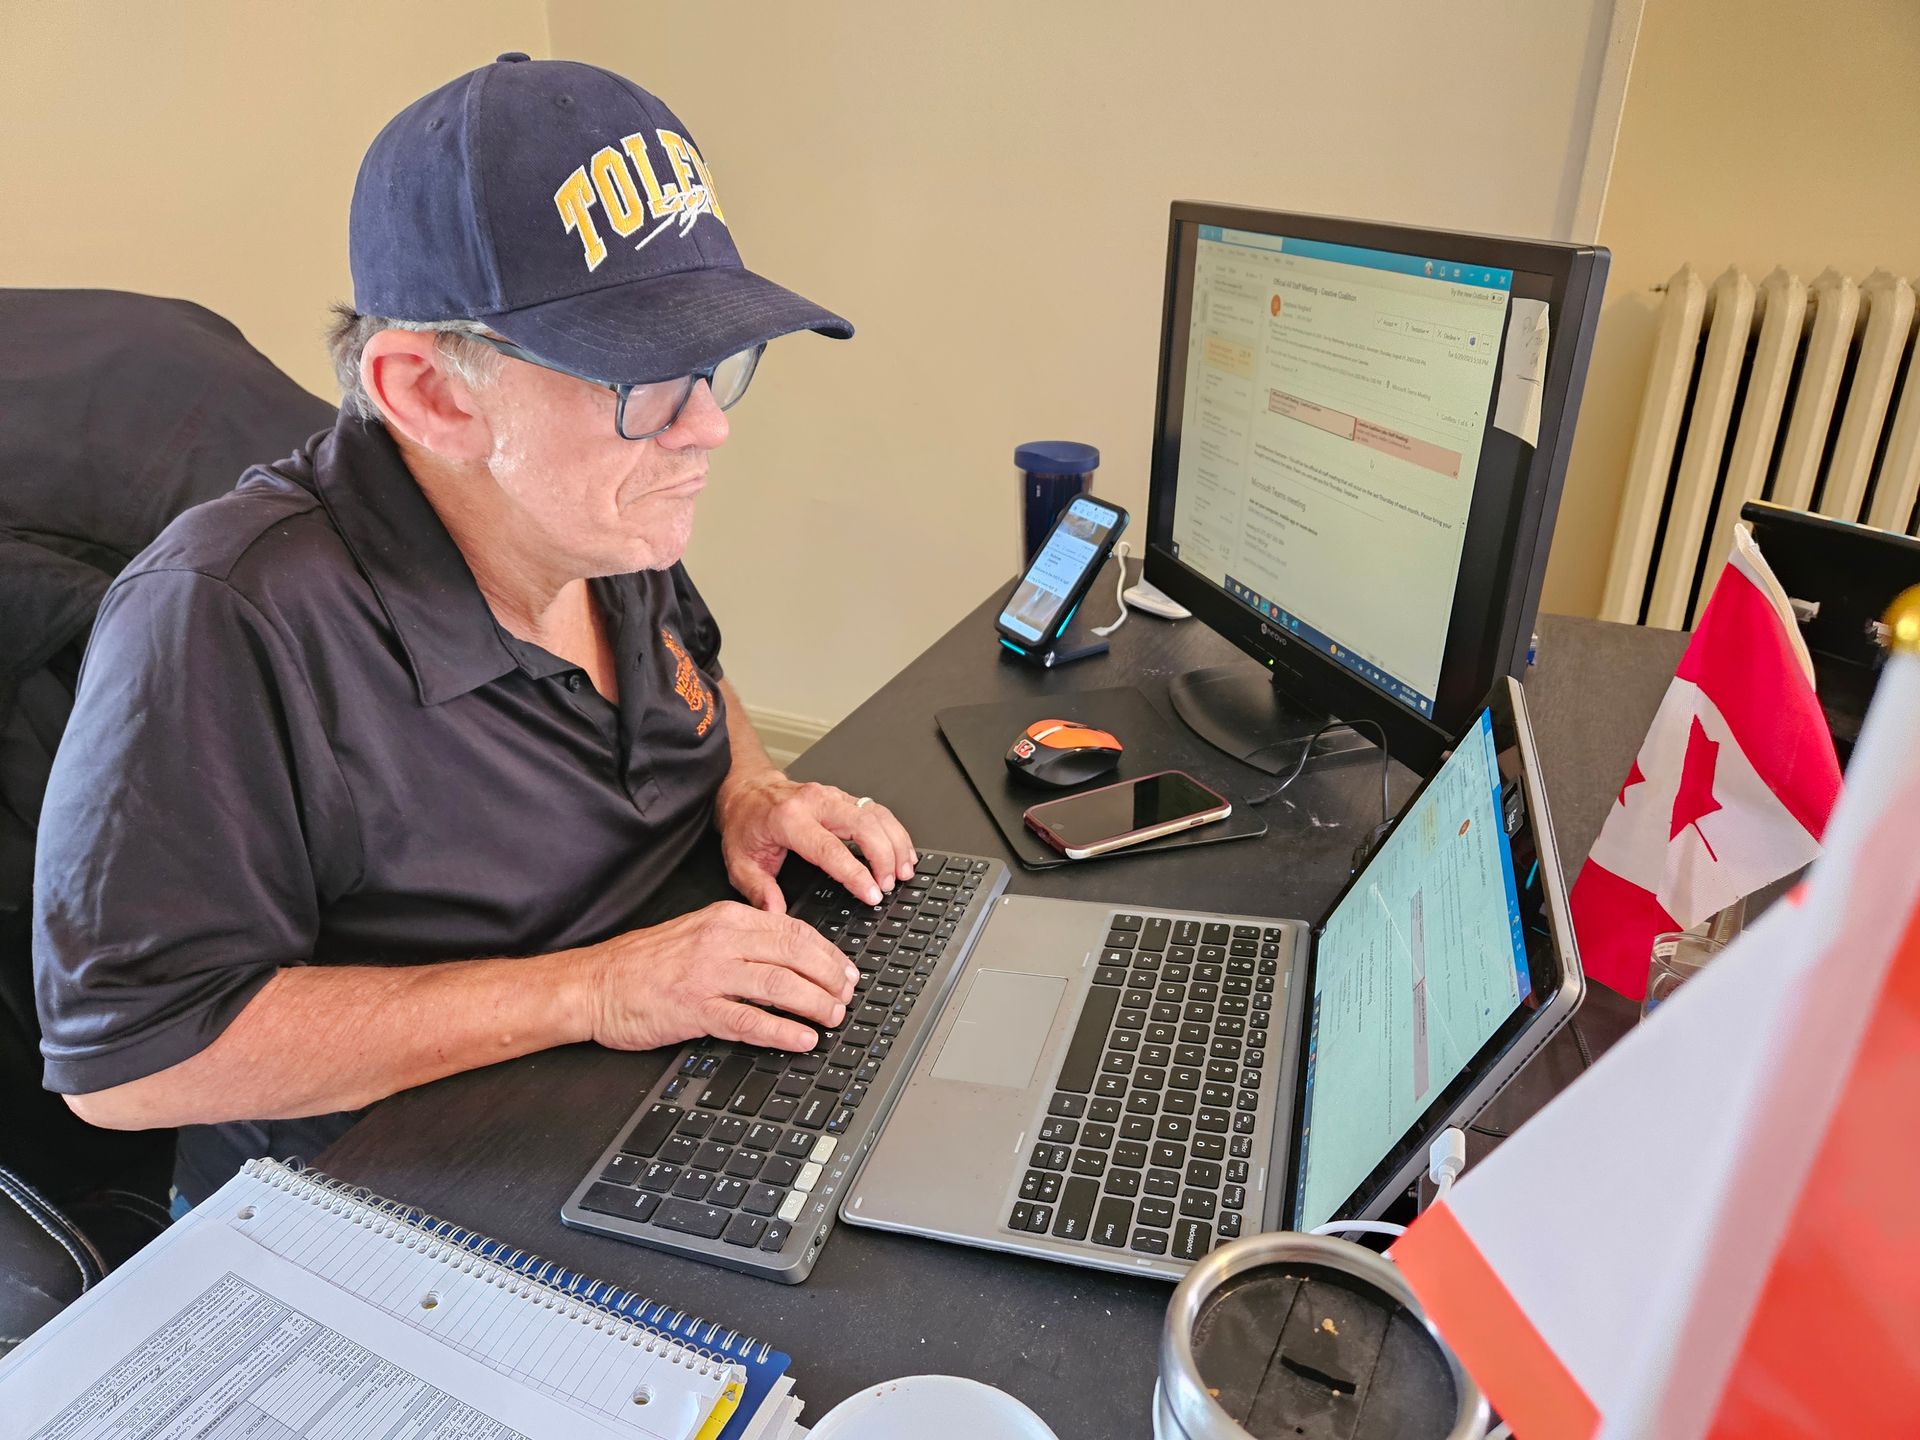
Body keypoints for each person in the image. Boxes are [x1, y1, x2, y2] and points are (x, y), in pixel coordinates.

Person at [33, 55, 916, 1204]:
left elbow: (694, 674)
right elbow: (128, 1063)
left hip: (652, 1090)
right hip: (390, 1197)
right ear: (429, 395)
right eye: (644, 379)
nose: (706, 427)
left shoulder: (599, 516)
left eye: (712, 364)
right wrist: (593, 992)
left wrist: (745, 788)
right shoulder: (223, 620)